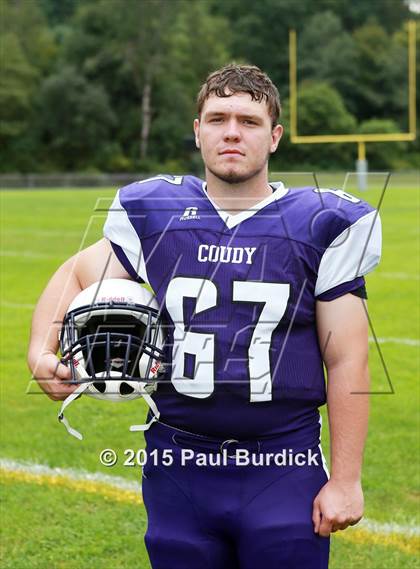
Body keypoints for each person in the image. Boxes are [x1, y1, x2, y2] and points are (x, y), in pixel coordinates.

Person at [28, 64, 382, 569]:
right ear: (198, 131)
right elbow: (78, 270)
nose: (232, 131)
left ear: (275, 136)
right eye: (217, 118)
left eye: (249, 120)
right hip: (178, 463)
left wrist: (346, 479)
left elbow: (348, 359)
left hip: (283, 462)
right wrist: (39, 349)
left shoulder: (320, 222)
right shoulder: (158, 211)